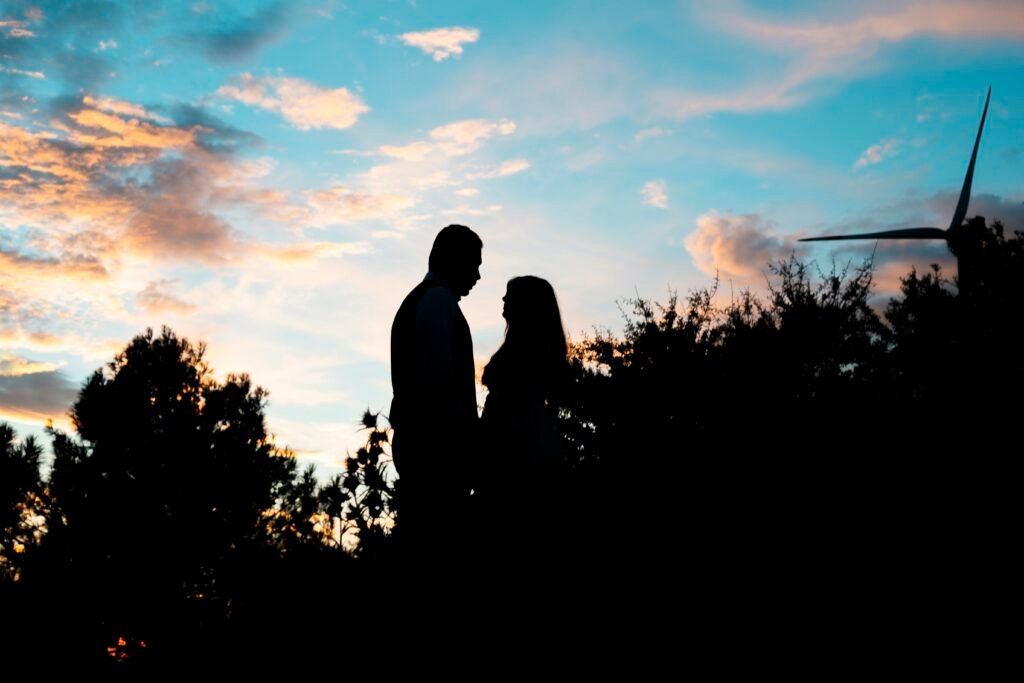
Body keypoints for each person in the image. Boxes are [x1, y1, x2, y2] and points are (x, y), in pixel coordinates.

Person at [389, 224, 482, 563]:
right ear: (454, 260)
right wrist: (469, 453)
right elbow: (441, 389)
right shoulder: (438, 302)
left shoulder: (423, 301)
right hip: (437, 460)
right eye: (474, 265)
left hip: (425, 455)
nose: (478, 276)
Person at [477, 276, 570, 575]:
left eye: (510, 296)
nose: (503, 301)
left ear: (526, 305)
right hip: (522, 450)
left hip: (519, 455)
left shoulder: (527, 350)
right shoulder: (524, 345)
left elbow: (513, 412)